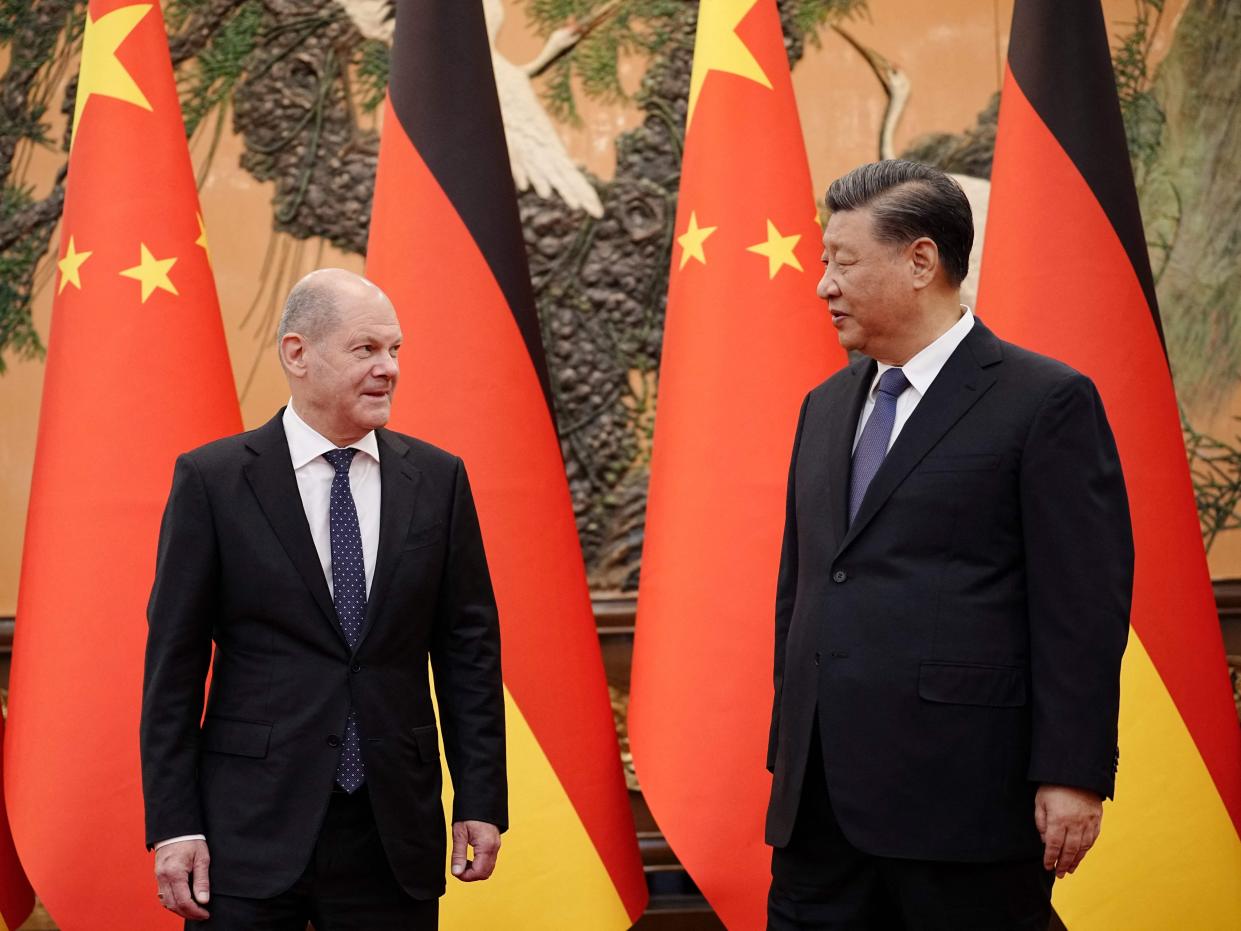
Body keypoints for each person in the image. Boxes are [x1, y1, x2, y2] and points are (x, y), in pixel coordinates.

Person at [765, 160, 1133, 930]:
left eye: (842, 261)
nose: (822, 285)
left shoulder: (1044, 401)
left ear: (921, 261)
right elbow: (803, 587)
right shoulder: (824, 407)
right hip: (820, 810)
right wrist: (791, 749)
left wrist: (1072, 772)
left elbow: (1081, 606)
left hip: (963, 803)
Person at [140, 268, 506, 928]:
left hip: (392, 827)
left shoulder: (437, 478)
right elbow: (173, 667)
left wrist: (480, 796)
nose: (388, 368)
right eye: (366, 349)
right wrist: (173, 824)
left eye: (395, 349)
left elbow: (468, 653)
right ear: (297, 352)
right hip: (249, 829)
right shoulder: (214, 480)